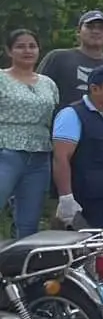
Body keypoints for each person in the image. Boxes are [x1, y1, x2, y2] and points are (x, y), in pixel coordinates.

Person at [51, 64, 103, 230]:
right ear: (95, 89)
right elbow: (61, 158)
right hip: (88, 203)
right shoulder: (72, 115)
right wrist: (66, 197)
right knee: (91, 253)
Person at [0, 30, 58, 238]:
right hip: (6, 151)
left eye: (32, 46)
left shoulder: (48, 84)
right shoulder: (1, 78)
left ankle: (21, 268)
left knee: (29, 222)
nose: (27, 50)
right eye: (20, 46)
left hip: (40, 156)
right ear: (9, 50)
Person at [37, 10, 103, 133]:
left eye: (101, 28)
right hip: (65, 133)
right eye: (90, 27)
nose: (96, 31)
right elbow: (39, 95)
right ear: (78, 32)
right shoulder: (58, 58)